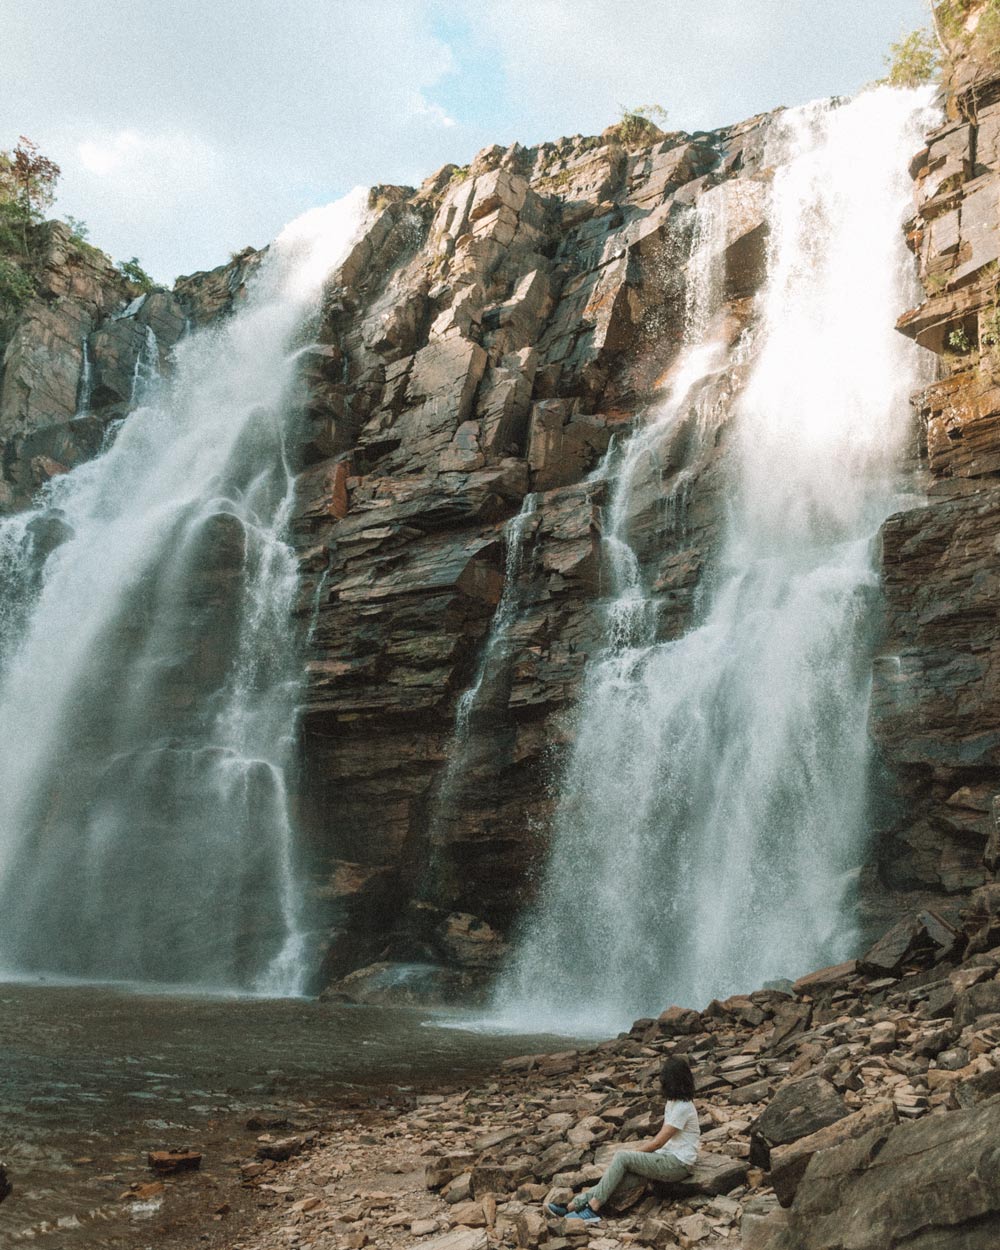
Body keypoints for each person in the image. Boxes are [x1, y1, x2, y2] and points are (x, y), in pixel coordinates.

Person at [547, 1056, 701, 1224]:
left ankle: (592, 1209)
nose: (661, 1080)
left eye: (664, 1077)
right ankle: (570, 1207)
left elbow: (658, 1142)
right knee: (618, 1176)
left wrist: (633, 1154)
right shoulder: (672, 1102)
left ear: (672, 1080)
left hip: (678, 1164)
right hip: (666, 1157)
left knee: (622, 1158)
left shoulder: (683, 1108)